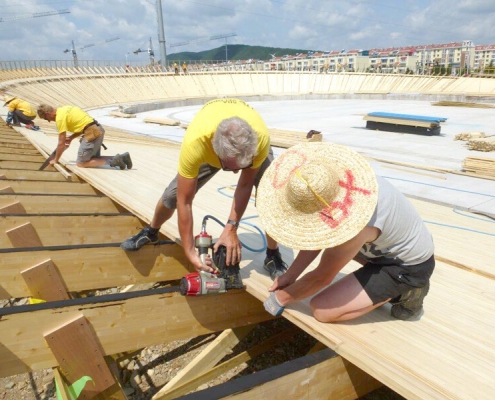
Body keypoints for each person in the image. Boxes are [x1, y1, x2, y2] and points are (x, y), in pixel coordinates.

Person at [258, 142, 435, 322]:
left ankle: (406, 291)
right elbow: (317, 237)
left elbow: (321, 277)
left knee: (322, 310)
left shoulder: (358, 218)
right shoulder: (332, 186)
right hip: (381, 248)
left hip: (407, 265)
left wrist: (281, 298)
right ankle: (378, 283)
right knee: (334, 250)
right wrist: (291, 275)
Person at [121, 98, 288, 278]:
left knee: (270, 199)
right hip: (212, 138)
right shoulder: (196, 144)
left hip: (246, 147)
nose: (235, 175)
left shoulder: (258, 141)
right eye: (232, 169)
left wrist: (231, 227)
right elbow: (184, 201)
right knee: (171, 196)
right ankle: (152, 230)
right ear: (216, 153)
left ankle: (272, 254)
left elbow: (244, 184)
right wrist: (190, 251)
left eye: (242, 167)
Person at [37, 104, 132, 170]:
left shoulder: (60, 118)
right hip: (96, 129)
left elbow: (61, 144)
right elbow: (84, 125)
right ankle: (123, 158)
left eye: (46, 119)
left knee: (81, 163)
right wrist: (71, 138)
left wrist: (55, 160)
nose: (49, 121)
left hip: (92, 132)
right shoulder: (65, 109)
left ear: (48, 113)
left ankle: (116, 161)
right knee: (93, 158)